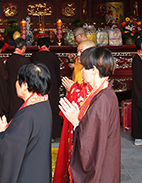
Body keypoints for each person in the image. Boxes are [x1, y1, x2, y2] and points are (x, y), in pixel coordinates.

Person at [59, 47, 120, 183]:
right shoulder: (104, 92)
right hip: (106, 160)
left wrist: (76, 122)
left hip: (101, 168)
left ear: (94, 70)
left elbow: (90, 142)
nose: (81, 71)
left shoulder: (102, 100)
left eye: (84, 68)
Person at [0, 63, 53, 182]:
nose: (15, 84)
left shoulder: (27, 114)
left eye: (18, 80)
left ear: (25, 85)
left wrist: (1, 134)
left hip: (27, 174)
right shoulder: (43, 104)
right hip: (38, 170)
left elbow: (9, 148)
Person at [53, 39, 95, 183]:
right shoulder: (81, 67)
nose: (77, 55)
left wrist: (74, 90)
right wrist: (74, 89)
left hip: (82, 125)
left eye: (80, 51)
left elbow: (90, 96)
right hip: (72, 120)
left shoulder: (94, 71)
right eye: (77, 51)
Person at [31, 37, 62, 138]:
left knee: (38, 110)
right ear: (49, 46)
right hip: (52, 87)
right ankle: (53, 134)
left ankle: (39, 134)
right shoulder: (54, 57)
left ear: (38, 46)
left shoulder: (34, 56)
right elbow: (58, 73)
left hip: (38, 87)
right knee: (53, 109)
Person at [6, 38, 30, 121]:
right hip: (22, 89)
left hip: (11, 87)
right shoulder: (24, 60)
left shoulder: (9, 59)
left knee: (12, 108)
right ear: (23, 47)